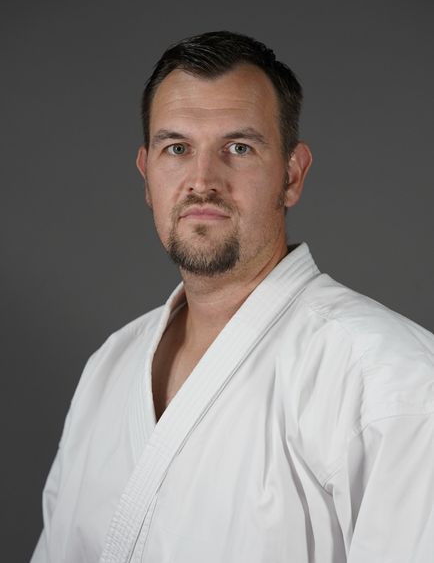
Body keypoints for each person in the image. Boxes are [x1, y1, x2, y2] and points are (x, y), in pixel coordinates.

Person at [31, 31, 434, 563]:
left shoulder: (392, 379)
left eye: (238, 148)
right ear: (147, 175)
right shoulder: (109, 365)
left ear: (292, 175)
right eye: (177, 149)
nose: (202, 181)